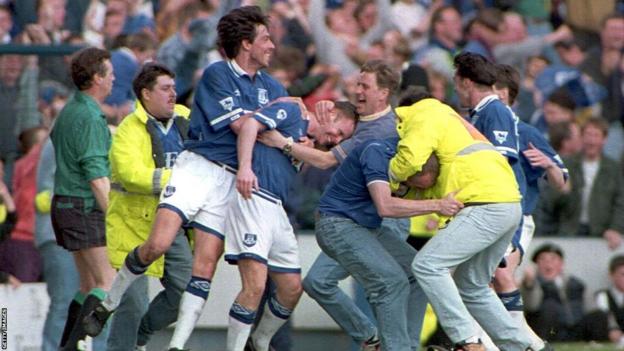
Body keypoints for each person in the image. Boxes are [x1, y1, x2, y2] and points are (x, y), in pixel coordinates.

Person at [83, 7, 289, 351]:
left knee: (200, 273)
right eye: (265, 38)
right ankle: (108, 303)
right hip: (190, 176)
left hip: (227, 183)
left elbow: (282, 132)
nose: (272, 44)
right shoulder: (217, 76)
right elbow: (244, 127)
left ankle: (174, 346)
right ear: (245, 44)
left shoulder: (272, 86)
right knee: (157, 246)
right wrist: (271, 121)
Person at [259, 60, 408, 350]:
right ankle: (371, 337)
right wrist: (322, 119)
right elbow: (331, 139)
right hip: (350, 219)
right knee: (318, 282)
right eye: (357, 84)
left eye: (365, 86)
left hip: (382, 218)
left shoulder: (380, 129)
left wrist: (282, 142)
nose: (358, 90)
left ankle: (402, 345)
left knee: (390, 285)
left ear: (384, 93)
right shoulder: (359, 119)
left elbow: (327, 160)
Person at [388, 92, 535, 350]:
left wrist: (388, 178)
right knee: (473, 286)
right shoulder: (453, 136)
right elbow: (432, 184)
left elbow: (410, 160)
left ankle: (467, 341)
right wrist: (404, 190)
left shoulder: (423, 112)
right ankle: (526, 347)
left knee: (426, 265)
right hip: (507, 203)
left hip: (484, 204)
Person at [225, 99, 356, 350]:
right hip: (254, 198)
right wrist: (245, 167)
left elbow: (322, 160)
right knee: (255, 286)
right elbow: (250, 122)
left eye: (341, 137)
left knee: (291, 289)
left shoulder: (303, 140)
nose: (335, 139)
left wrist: (290, 145)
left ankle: (259, 342)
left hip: (280, 213)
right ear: (328, 112)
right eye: (338, 130)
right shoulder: (293, 113)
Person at [315, 133, 461, 351]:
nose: (414, 193)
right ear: (407, 172)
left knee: (417, 271)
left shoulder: (417, 153)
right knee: (390, 282)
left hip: (368, 226)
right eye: (413, 187)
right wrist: (438, 205)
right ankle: (386, 344)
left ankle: (406, 346)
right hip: (338, 223)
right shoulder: (377, 151)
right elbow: (386, 206)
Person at [103, 63, 193, 351]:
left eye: (174, 88)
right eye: (165, 89)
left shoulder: (186, 118)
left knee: (188, 290)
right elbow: (131, 175)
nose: (173, 94)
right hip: (133, 226)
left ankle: (140, 335)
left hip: (174, 223)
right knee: (133, 301)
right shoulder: (128, 131)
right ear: (146, 94)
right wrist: (178, 179)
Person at [489, 63, 567, 351]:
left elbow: (562, 181)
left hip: (517, 218)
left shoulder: (525, 131)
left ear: (511, 96)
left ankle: (525, 343)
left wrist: (548, 164)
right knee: (480, 283)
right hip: (484, 216)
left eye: (499, 91)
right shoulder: (478, 129)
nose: (493, 97)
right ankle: (522, 343)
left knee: (500, 274)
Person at [50, 47, 115, 351]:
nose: (114, 77)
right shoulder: (90, 115)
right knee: (108, 283)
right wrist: (114, 217)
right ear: (96, 78)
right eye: (109, 72)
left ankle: (67, 344)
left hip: (64, 204)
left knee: (88, 285)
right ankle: (76, 345)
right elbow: (96, 176)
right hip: (83, 207)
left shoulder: (70, 109)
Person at [521, 243, 586, 342]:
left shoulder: (575, 283)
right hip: (547, 330)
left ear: (561, 263)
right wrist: (529, 284)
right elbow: (531, 306)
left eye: (553, 259)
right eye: (543, 259)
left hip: (574, 328)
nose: (548, 264)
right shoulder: (532, 283)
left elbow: (591, 307)